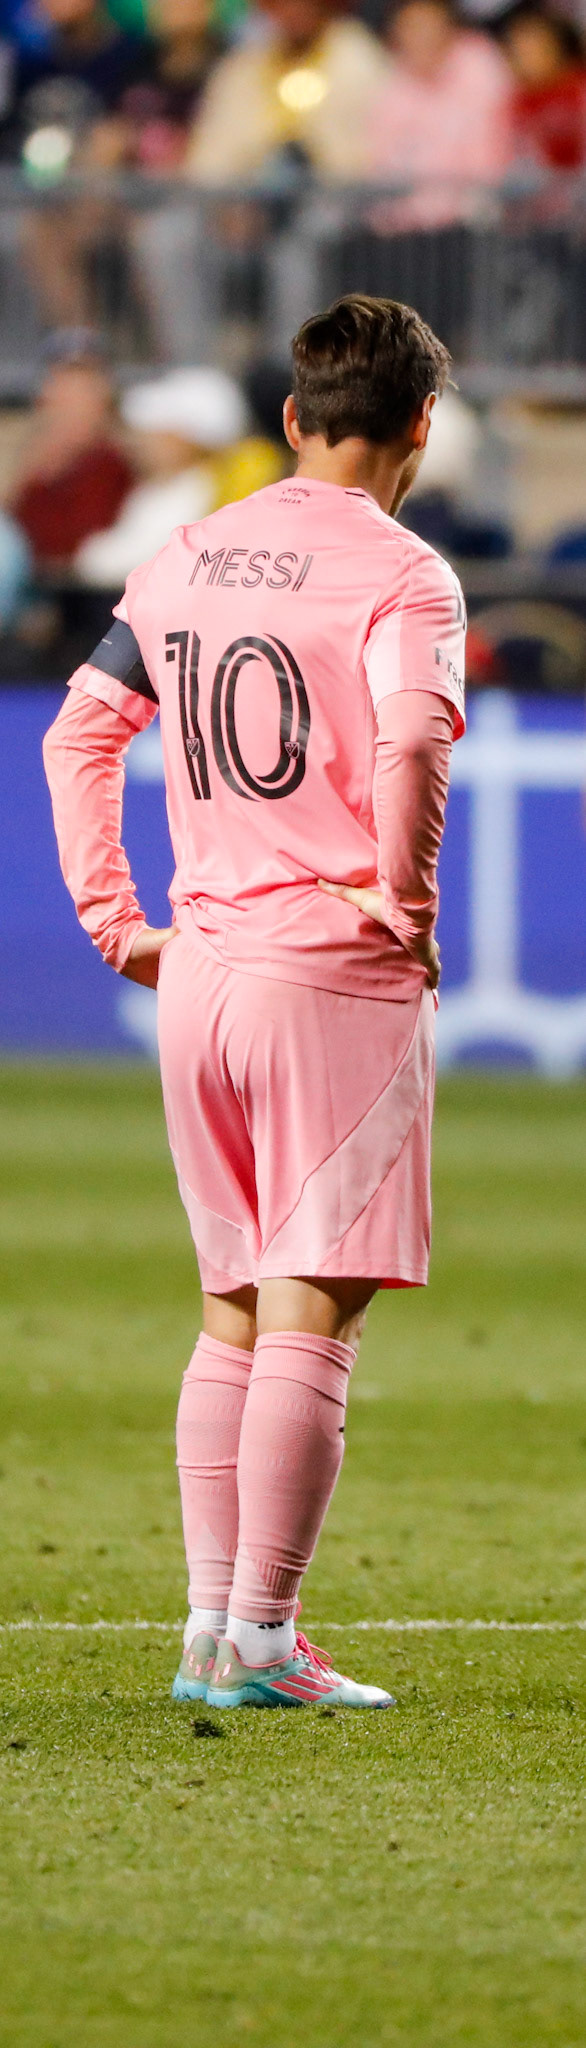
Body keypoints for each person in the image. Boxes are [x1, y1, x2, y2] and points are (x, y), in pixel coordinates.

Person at [43, 294, 466, 1710]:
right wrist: (404, 908)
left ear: (292, 417)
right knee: (309, 1312)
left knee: (231, 1307)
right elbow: (412, 735)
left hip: (203, 971)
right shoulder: (405, 575)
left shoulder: (189, 552)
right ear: (421, 423)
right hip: (324, 970)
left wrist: (116, 922)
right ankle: (265, 1637)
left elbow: (77, 732)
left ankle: (210, 1634)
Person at [368, 0, 513, 227]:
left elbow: (489, 154)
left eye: (429, 24)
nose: (422, 36)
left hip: (473, 220)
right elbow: (381, 163)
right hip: (406, 227)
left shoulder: (479, 63)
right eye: (412, 26)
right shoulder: (391, 79)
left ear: (450, 27)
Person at [9, 329, 133, 572]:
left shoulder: (112, 463)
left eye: (82, 390)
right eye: (62, 386)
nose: (70, 402)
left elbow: (74, 548)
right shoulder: (28, 457)